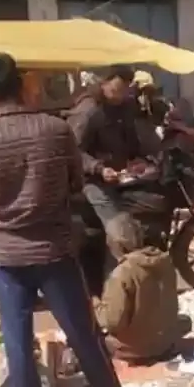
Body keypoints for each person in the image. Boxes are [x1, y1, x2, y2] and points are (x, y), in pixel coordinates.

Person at [0, 52, 160, 387]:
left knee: (17, 340)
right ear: (22, 84)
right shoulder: (54, 130)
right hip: (54, 248)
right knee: (84, 336)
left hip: (7, 256)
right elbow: (74, 185)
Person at [68, 65, 158, 257]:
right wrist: (99, 169)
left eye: (125, 90)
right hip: (90, 181)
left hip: (121, 176)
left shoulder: (124, 108)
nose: (121, 95)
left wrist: (138, 159)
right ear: (104, 83)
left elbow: (132, 139)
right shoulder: (88, 110)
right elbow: (73, 149)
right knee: (120, 228)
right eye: (116, 89)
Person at [97, 246, 192, 364]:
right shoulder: (166, 263)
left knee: (89, 339)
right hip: (165, 342)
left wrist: (96, 307)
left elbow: (113, 323)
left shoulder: (122, 273)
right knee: (185, 321)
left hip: (135, 349)